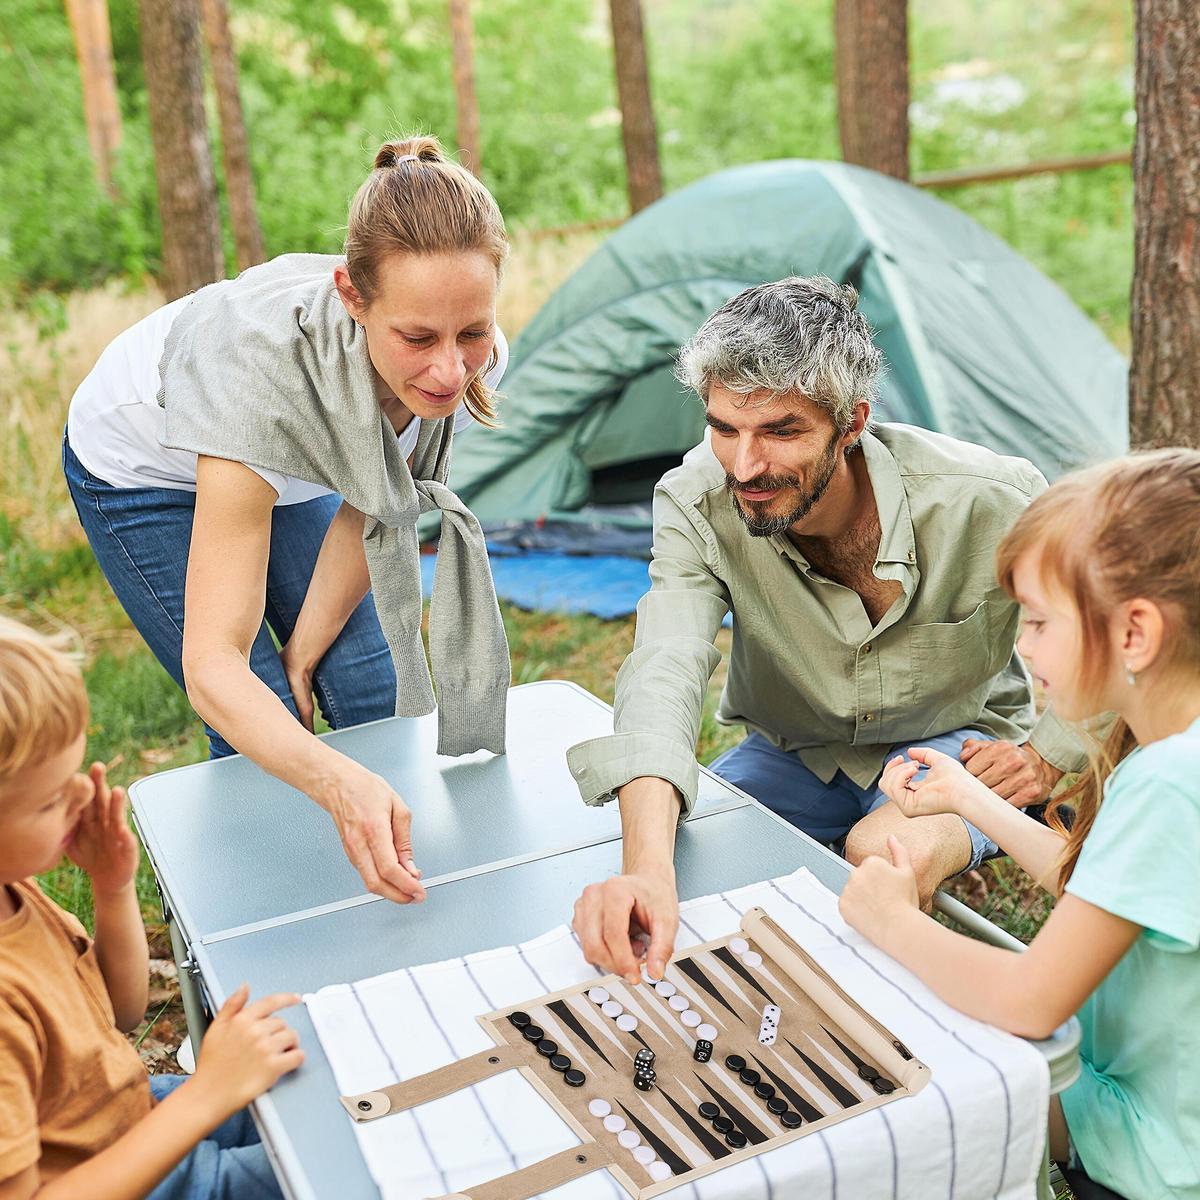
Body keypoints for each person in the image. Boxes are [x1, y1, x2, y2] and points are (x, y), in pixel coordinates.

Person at [569, 275, 1086, 984]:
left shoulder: (991, 499)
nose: (746, 466)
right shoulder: (693, 502)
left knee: (879, 855)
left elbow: (1120, 620)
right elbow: (665, 667)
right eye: (725, 428)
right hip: (795, 753)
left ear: (852, 423)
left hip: (957, 745)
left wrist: (1052, 753)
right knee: (676, 864)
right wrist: (647, 869)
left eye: (780, 432)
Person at [64, 135, 512, 904]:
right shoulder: (255, 386)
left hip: (293, 461)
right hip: (147, 468)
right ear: (352, 296)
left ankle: (403, 903)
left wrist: (304, 651)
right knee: (259, 717)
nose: (449, 369)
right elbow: (214, 668)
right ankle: (263, 921)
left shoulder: (469, 363)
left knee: (367, 684)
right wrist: (334, 781)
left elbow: (367, 505)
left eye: (469, 332)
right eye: (417, 339)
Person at [839, 450, 1200, 1200]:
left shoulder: (1170, 783)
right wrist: (972, 799)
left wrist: (891, 920)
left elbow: (1031, 1000)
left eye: (1037, 622)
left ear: (1135, 633)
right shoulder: (1176, 754)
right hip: (1159, 1112)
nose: (1024, 646)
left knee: (883, 1087)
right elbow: (1097, 883)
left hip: (1154, 1147)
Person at [0, 616, 304, 1200]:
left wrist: (112, 889)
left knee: (318, 1090)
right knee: (348, 1172)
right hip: (137, 1178)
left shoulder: (14, 892)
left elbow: (119, 1012)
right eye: (51, 799)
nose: (86, 795)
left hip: (133, 1116)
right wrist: (209, 1091)